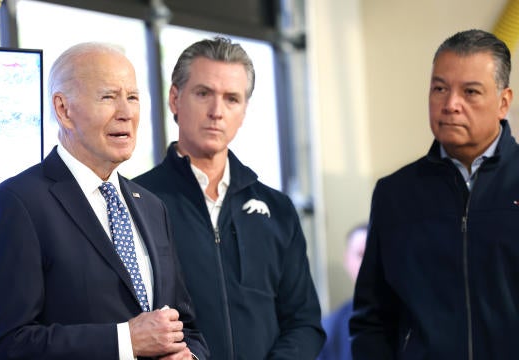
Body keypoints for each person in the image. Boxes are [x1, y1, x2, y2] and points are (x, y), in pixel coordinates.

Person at [0, 42, 208, 360]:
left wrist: (190, 356)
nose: (126, 113)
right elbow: (6, 346)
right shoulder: (16, 204)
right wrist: (125, 341)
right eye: (108, 97)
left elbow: (186, 328)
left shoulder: (152, 207)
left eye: (133, 97)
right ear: (64, 110)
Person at [133, 36, 325, 359]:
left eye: (232, 98)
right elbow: (128, 321)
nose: (216, 111)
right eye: (203, 93)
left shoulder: (278, 210)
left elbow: (305, 324)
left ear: (244, 111)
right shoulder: (137, 203)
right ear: (175, 99)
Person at [350, 29, 519, 359]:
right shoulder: (394, 194)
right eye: (440, 89)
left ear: (503, 102)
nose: (451, 104)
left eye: (470, 92)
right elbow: (372, 320)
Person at [317, 223, 367, 360]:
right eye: (361, 255)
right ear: (347, 260)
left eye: (374, 254)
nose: (368, 263)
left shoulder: (411, 318)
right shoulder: (330, 329)